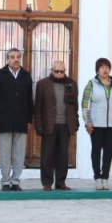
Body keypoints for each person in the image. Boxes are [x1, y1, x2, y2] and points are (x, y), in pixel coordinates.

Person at [0, 48, 34, 192]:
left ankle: (15, 180)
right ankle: (5, 181)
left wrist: (29, 120)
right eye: (12, 57)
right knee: (5, 152)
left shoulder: (26, 75)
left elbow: (29, 99)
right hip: (4, 120)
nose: (15, 59)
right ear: (7, 59)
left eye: (18, 57)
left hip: (21, 120)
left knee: (19, 152)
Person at [35, 60, 78, 191]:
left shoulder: (71, 83)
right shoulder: (43, 84)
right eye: (57, 71)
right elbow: (38, 107)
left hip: (65, 124)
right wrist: (39, 124)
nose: (59, 74)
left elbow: (74, 105)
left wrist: (75, 121)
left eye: (62, 71)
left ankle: (61, 182)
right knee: (47, 155)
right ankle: (47, 182)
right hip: (49, 124)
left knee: (63, 155)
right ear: (51, 70)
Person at [82, 57, 112, 190]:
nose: (105, 70)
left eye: (107, 67)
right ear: (98, 70)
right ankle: (97, 178)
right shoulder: (91, 84)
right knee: (96, 150)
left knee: (108, 151)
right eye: (102, 68)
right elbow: (85, 103)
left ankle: (105, 177)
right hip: (96, 124)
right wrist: (88, 121)